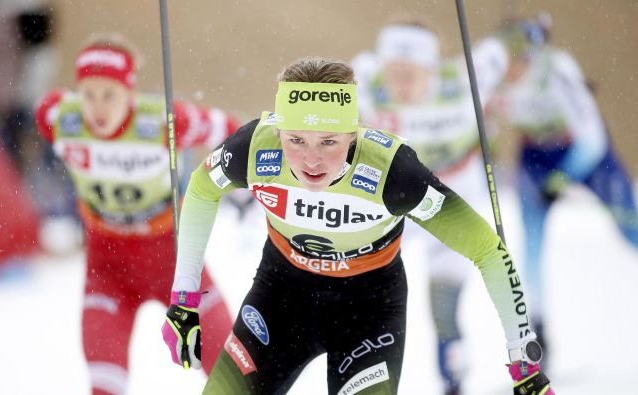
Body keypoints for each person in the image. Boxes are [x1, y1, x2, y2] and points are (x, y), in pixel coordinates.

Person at [161, 57, 554, 395]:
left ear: (354, 133)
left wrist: (524, 357)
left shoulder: (392, 172)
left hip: (367, 311)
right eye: (296, 140)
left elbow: (486, 248)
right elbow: (200, 189)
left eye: (328, 142)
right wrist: (182, 299)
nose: (310, 160)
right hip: (281, 299)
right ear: (278, 129)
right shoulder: (254, 148)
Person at [34, 34, 237, 395]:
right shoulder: (60, 119)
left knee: (233, 377)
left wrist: (232, 181)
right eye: (88, 94)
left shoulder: (163, 122)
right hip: (107, 268)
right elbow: (44, 111)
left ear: (130, 93)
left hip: (173, 264)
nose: (97, 108)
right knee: (104, 384)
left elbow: (232, 131)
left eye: (109, 95)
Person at [350, 17, 516, 395]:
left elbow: (503, 49)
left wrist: (524, 35)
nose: (402, 85)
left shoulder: (464, 78)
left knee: (442, 305)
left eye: (412, 74)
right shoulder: (365, 80)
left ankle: (452, 382)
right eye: (395, 73)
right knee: (370, 291)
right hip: (399, 194)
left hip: (454, 192)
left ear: (432, 68)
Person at [486, 14, 638, 364]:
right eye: (507, 64)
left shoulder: (556, 70)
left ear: (531, 57)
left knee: (629, 230)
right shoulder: (493, 77)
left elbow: (592, 139)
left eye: (518, 62)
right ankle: (536, 329)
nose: (512, 72)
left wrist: (560, 181)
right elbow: (486, 121)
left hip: (583, 154)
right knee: (531, 244)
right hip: (535, 158)